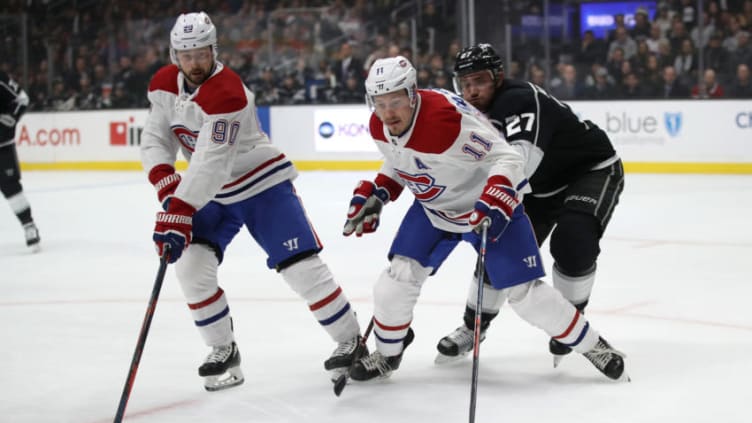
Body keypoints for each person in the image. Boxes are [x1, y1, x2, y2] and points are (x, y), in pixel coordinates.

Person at [342, 55, 628, 382]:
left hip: (483, 208)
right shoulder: (378, 124)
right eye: (379, 103)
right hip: (433, 209)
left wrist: (497, 190)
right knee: (394, 283)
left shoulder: (445, 122)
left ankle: (594, 346)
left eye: (395, 100)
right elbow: (401, 158)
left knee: (527, 296)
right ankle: (388, 355)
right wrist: (380, 190)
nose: (388, 111)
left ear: (412, 94)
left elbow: (506, 156)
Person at [140, 12, 363, 391]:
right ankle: (222, 349)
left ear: (215, 50)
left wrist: (179, 208)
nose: (195, 62)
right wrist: (167, 187)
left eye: (202, 53)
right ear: (175, 54)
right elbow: (156, 137)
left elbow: (212, 160)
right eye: (186, 54)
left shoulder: (228, 92)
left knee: (300, 268)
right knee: (191, 266)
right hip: (210, 193)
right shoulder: (163, 85)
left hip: (261, 183)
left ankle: (350, 339)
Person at [435, 43, 624, 367]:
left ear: (498, 77)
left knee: (573, 239)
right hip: (537, 187)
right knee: (498, 247)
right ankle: (472, 327)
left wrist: (484, 200)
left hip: (589, 171)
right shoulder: (469, 113)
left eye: (478, 81)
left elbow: (520, 164)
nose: (471, 91)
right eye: (464, 84)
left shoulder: (518, 99)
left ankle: (570, 322)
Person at [0, 70, 40, 251]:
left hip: (2, 146)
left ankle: (28, 226)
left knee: (11, 188)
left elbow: (22, 99)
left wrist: (12, 117)